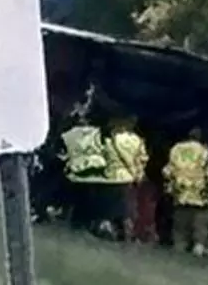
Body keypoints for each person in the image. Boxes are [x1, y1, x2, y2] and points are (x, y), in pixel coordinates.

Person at [163, 127, 208, 256]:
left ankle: (179, 250)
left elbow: (167, 171)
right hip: (200, 196)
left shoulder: (176, 149)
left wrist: (172, 187)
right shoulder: (204, 151)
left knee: (180, 230)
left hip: (180, 195)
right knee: (200, 228)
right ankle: (198, 249)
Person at [57, 104, 109, 233]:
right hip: (91, 168)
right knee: (86, 195)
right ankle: (85, 222)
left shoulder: (72, 131)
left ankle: (81, 221)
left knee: (83, 196)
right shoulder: (97, 132)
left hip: (81, 168)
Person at [108, 116, 152, 243]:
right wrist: (139, 176)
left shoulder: (111, 138)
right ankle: (128, 235)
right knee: (128, 208)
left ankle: (111, 230)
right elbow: (142, 159)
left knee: (112, 205)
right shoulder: (137, 141)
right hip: (128, 178)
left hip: (112, 177)